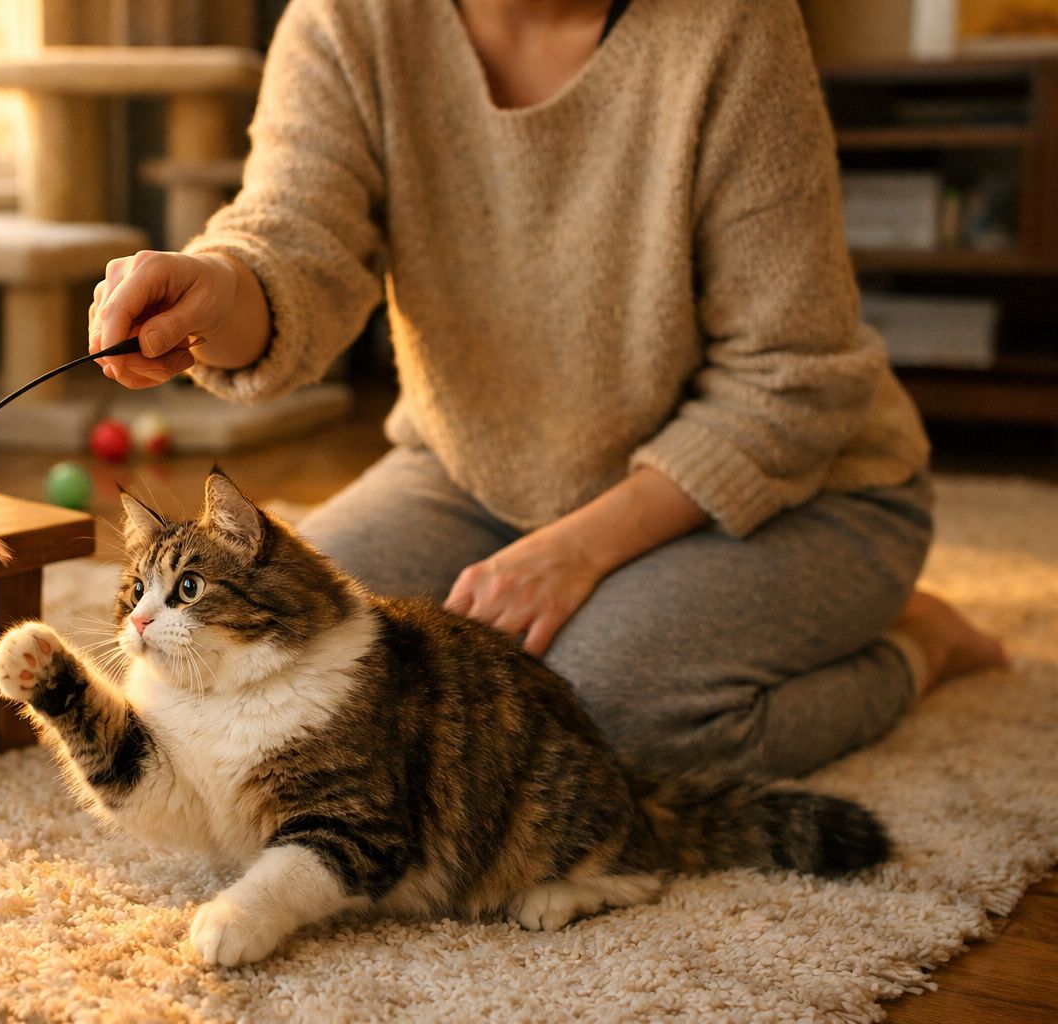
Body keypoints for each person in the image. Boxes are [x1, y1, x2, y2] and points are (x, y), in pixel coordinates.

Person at [83, 0, 1007, 782]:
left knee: (600, 718)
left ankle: (918, 647)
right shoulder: (348, 20)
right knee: (274, 665)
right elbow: (293, 247)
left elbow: (793, 378)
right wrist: (218, 290)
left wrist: (575, 553)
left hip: (793, 487)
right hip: (474, 475)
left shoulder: (733, 23)